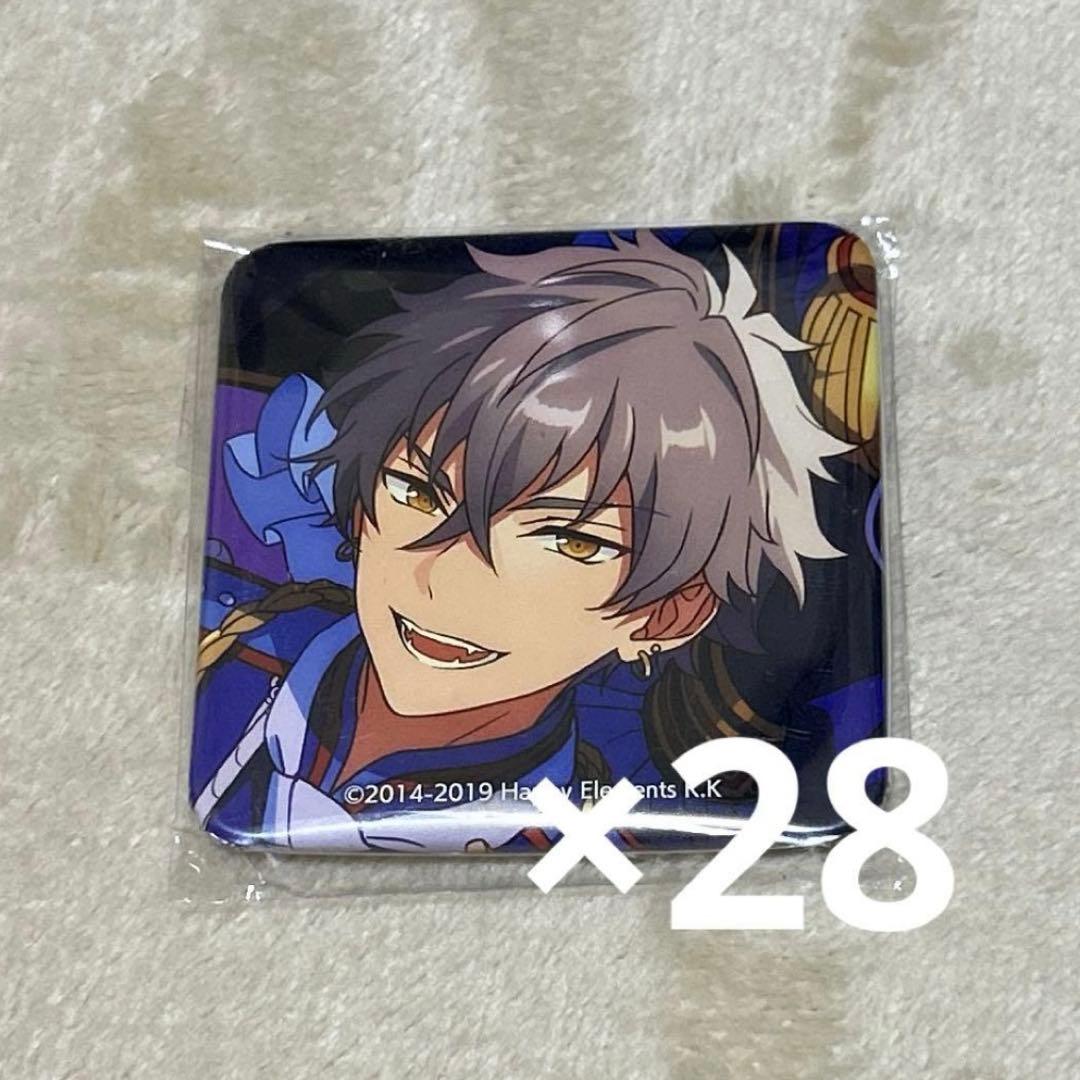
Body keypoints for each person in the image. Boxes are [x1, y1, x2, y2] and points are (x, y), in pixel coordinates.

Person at [190, 231, 854, 852]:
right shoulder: (242, 645)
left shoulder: (575, 829)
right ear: (361, 505)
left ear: (665, 614)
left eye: (570, 540)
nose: (446, 583)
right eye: (419, 493)